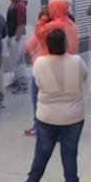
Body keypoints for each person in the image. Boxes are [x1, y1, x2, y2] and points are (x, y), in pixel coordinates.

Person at [14, 28, 89, 182]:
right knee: (69, 155)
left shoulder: (40, 63)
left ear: (47, 45)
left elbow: (38, 83)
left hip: (46, 117)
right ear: (66, 44)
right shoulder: (77, 62)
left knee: (41, 154)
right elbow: (84, 78)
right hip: (73, 116)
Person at [22, 7, 53, 136]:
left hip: (39, 68)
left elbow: (28, 47)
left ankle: (38, 126)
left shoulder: (39, 31)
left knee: (37, 99)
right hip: (53, 68)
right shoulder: (56, 29)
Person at [6, 0, 30, 93]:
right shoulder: (13, 4)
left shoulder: (19, 5)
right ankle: (17, 81)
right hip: (13, 36)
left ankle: (23, 85)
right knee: (15, 60)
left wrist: (17, 38)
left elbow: (21, 23)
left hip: (17, 36)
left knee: (19, 61)